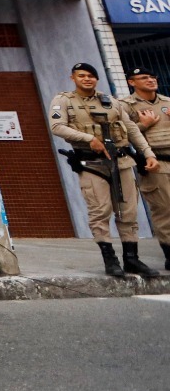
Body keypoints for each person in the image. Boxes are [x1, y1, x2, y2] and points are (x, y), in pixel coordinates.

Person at [51, 62, 160, 277]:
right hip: (92, 164)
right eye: (82, 75)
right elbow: (57, 127)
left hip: (121, 162)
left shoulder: (110, 101)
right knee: (100, 211)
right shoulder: (63, 100)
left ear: (96, 79)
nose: (87, 79)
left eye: (91, 75)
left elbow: (130, 129)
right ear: (73, 78)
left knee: (128, 211)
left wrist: (148, 153)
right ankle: (110, 260)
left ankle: (132, 259)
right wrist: (89, 138)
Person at [125, 66, 170, 271]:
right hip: (155, 163)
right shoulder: (125, 106)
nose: (150, 80)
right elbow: (120, 136)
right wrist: (144, 125)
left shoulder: (167, 102)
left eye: (152, 76)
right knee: (165, 210)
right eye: (144, 78)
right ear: (132, 82)